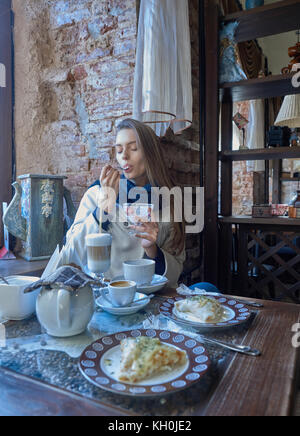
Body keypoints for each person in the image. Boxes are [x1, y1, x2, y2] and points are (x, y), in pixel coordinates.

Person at [58, 118, 186, 287]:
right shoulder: (97, 194)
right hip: (101, 296)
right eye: (119, 150)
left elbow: (174, 275)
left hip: (146, 298)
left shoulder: (167, 203)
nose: (124, 156)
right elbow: (69, 256)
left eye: (133, 148)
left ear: (150, 154)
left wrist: (152, 250)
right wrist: (102, 210)